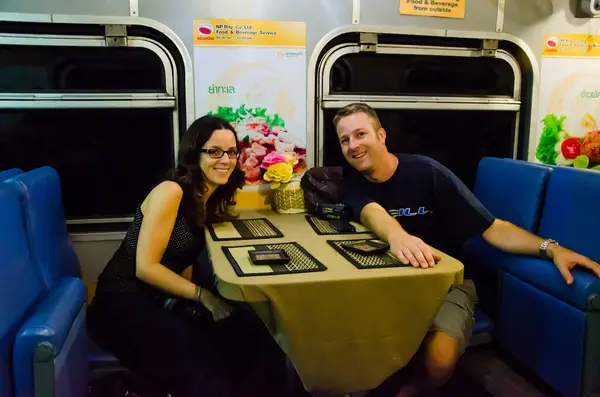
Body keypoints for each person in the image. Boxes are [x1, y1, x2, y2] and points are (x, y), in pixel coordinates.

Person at [333, 103, 600, 397]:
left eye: (360, 134)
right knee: (354, 350)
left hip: (449, 284)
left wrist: (550, 248)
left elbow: (492, 227)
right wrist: (398, 236)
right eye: (345, 140)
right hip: (384, 285)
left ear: (381, 135)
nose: (353, 145)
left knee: (439, 360)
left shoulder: (429, 173)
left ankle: (411, 390)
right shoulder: (351, 185)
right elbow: (372, 212)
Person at [87, 115, 285, 397]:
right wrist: (203, 297)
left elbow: (183, 260)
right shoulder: (171, 191)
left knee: (250, 336)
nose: (225, 160)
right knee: (205, 364)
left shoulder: (207, 198)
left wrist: (198, 310)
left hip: (162, 300)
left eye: (231, 152)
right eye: (214, 152)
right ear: (195, 154)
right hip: (121, 302)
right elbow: (146, 268)